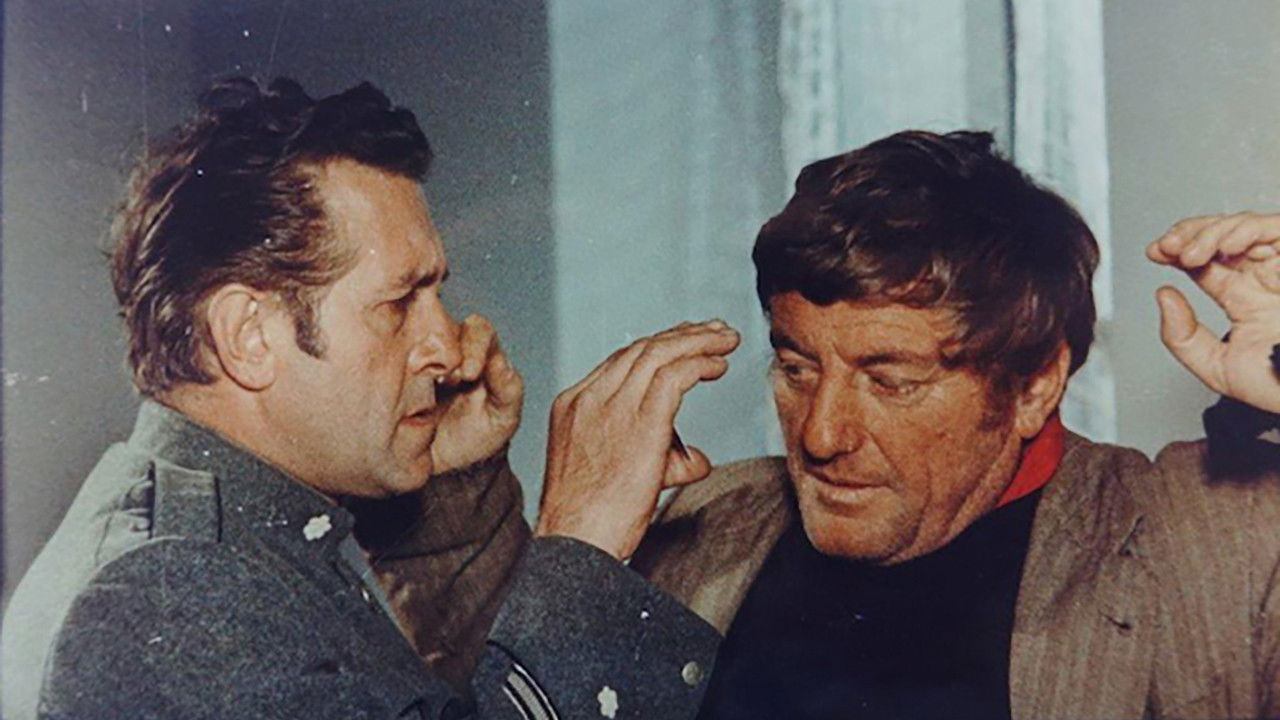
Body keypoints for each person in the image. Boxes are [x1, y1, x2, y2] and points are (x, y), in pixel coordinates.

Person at [1, 77, 738, 719]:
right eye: (398, 303)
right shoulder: (172, 591)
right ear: (248, 336)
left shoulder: (218, 544)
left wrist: (446, 499)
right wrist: (582, 540)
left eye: (436, 293)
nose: (447, 344)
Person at [629, 130, 1280, 719]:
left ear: (1034, 386)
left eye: (892, 382)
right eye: (797, 369)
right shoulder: (712, 518)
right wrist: (586, 551)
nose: (821, 436)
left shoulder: (1202, 535)